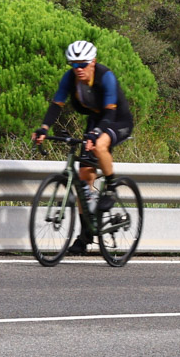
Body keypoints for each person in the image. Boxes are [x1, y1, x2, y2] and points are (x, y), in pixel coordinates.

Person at [34, 40, 131, 249]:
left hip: (117, 120)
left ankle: (111, 188)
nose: (78, 69)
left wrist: (95, 134)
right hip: (96, 120)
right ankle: (85, 237)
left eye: (83, 64)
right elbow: (56, 105)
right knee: (83, 179)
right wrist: (44, 128)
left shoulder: (105, 77)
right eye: (73, 64)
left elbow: (110, 113)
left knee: (99, 145)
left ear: (93, 62)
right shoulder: (70, 78)